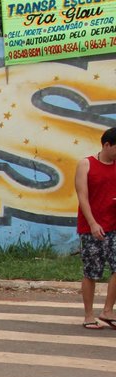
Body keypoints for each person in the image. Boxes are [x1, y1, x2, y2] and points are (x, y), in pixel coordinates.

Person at [74, 126, 116, 329]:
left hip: (114, 225)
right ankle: (88, 315)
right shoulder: (86, 164)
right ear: (107, 144)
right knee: (92, 272)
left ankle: (108, 310)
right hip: (92, 227)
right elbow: (82, 196)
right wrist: (92, 223)